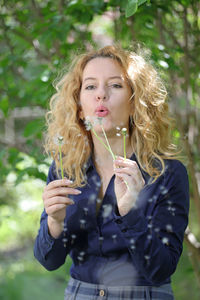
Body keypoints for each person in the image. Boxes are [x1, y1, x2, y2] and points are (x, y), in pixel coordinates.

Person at [34, 45, 189, 300]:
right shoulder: (66, 169)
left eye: (115, 86)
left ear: (136, 102)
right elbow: (49, 261)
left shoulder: (167, 173)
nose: (101, 95)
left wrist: (131, 213)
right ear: (80, 106)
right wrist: (55, 222)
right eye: (90, 86)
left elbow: (161, 269)